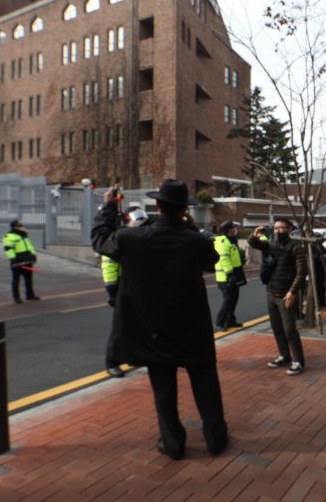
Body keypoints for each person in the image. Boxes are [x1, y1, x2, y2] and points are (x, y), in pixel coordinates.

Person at [91, 179, 228, 460]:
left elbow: (99, 238)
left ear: (157, 205)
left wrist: (108, 205)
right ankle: (215, 438)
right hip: (192, 329)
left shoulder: (131, 239)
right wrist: (188, 226)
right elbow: (212, 261)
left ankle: (173, 443)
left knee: (163, 390)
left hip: (153, 330)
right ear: (184, 210)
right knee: (206, 384)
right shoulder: (197, 242)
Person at [248, 218, 308, 376]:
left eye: (281, 228)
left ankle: (298, 361)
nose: (278, 231)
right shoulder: (271, 245)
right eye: (275, 228)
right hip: (271, 292)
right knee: (276, 328)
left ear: (289, 229)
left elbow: (302, 272)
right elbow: (254, 244)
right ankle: (284, 355)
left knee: (290, 330)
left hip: (286, 295)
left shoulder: (296, 247)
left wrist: (292, 292)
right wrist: (254, 236)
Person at [101, 207, 148, 378]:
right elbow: (109, 265)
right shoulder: (120, 238)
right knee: (119, 326)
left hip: (139, 286)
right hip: (122, 285)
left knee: (139, 324)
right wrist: (112, 290)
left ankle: (135, 356)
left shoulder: (143, 236)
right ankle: (111, 362)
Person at [214, 221, 244, 331]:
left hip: (234, 275)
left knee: (234, 299)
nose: (234, 229)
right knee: (229, 300)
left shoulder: (231, 241)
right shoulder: (223, 242)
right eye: (233, 227)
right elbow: (224, 259)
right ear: (228, 229)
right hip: (225, 277)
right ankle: (219, 322)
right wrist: (230, 274)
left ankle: (231, 321)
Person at [2, 219, 40, 304]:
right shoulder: (8, 236)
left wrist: (33, 255)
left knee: (29, 279)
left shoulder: (23, 236)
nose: (22, 227)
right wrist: (13, 259)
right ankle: (16, 297)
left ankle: (30, 295)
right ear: (14, 227)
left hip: (27, 259)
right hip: (18, 261)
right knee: (16, 280)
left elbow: (29, 246)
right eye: (20, 226)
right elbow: (8, 249)